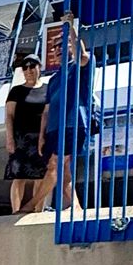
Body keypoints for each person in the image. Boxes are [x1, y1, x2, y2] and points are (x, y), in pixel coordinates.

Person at [36, 22, 96, 214]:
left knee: (55, 164)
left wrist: (71, 28)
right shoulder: (53, 79)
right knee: (63, 170)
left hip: (73, 124)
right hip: (54, 129)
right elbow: (46, 111)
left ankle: (33, 206)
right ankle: (76, 206)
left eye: (64, 45)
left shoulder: (81, 65)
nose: (59, 50)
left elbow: (82, 55)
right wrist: (41, 136)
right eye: (55, 47)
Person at [2, 53, 49, 212]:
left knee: (40, 176)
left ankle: (37, 210)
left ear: (39, 68)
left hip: (40, 138)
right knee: (18, 176)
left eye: (32, 66)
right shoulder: (16, 91)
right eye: (25, 67)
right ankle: (16, 210)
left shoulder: (46, 90)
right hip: (20, 138)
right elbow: (9, 115)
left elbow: (47, 114)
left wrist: (44, 137)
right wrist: (9, 138)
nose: (29, 70)